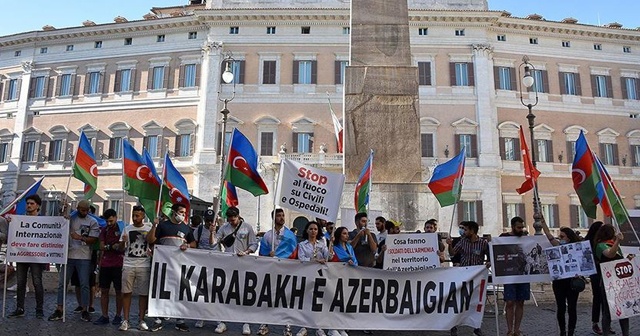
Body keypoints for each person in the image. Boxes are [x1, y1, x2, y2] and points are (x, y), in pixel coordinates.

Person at [147, 203, 196, 332]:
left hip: (179, 266)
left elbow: (193, 243)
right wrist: (154, 225)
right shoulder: (163, 225)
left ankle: (179, 320)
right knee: (160, 290)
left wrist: (188, 246)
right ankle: (158, 318)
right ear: (174, 212)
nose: (183, 215)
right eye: (181, 212)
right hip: (162, 265)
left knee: (179, 291)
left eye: (184, 213)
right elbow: (151, 240)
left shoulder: (186, 228)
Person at [49, 200, 100, 322]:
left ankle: (85, 310)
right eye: (82, 210)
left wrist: (80, 238)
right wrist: (64, 209)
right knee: (62, 284)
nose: (85, 212)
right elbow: (61, 222)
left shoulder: (92, 221)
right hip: (68, 256)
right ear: (77, 208)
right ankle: (59, 309)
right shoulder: (71, 218)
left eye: (86, 210)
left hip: (84, 256)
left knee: (84, 284)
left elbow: (93, 239)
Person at [215, 206, 258, 335]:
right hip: (227, 263)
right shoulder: (224, 227)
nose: (232, 222)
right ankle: (223, 321)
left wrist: (246, 252)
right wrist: (212, 232)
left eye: (234, 220)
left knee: (244, 293)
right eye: (230, 220)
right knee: (225, 292)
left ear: (238, 216)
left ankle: (246, 322)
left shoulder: (247, 227)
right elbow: (214, 242)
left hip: (244, 263)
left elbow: (254, 244)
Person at [257, 208, 298, 335]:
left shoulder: (290, 235)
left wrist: (280, 255)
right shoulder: (268, 235)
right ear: (273, 218)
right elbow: (262, 253)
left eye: (283, 215)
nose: (281, 218)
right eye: (279, 216)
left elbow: (294, 252)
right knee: (268, 297)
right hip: (271, 270)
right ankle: (264, 324)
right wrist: (269, 255)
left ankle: (287, 326)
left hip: (286, 270)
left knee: (286, 298)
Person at [446, 221, 488, 336]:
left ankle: (476, 327)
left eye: (466, 229)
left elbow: (489, 257)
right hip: (463, 276)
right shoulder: (462, 242)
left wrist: (488, 264)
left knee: (476, 302)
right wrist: (449, 245)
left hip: (477, 277)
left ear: (472, 231)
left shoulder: (483, 243)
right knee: (460, 300)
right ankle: (454, 325)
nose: (464, 232)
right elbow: (453, 254)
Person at [7, 194, 46, 319]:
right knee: (21, 282)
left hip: (36, 256)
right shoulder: (20, 220)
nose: (29, 205)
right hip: (22, 254)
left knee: (37, 282)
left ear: (38, 206)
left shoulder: (43, 221)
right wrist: (11, 224)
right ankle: (20, 308)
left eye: (32, 203)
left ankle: (39, 309)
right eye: (28, 203)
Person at [119, 205, 152, 331]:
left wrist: (154, 226)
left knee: (143, 294)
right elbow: (120, 249)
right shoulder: (127, 229)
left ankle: (141, 319)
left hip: (144, 264)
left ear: (143, 216)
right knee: (126, 292)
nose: (135, 218)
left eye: (137, 215)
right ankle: (126, 320)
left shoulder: (148, 228)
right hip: (128, 264)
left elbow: (153, 242)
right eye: (133, 215)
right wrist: (123, 241)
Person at [296, 221, 329, 336]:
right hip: (306, 274)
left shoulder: (322, 244)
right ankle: (303, 326)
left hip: (319, 275)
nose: (313, 231)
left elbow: (328, 256)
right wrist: (313, 261)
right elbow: (301, 258)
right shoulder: (302, 245)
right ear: (307, 230)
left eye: (315, 229)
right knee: (305, 300)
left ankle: (318, 327)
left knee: (318, 300)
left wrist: (331, 247)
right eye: (311, 229)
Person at [595, 224, 629, 336]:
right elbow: (610, 254)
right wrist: (617, 241)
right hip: (607, 282)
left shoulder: (614, 245)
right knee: (608, 311)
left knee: (623, 310)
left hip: (619, 281)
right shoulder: (600, 246)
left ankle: (626, 333)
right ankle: (606, 332)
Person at [499, 216, 530, 336]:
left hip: (522, 274)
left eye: (522, 227)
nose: (521, 229)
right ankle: (509, 329)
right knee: (510, 302)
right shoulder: (504, 237)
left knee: (520, 302)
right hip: (509, 274)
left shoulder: (525, 238)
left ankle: (517, 329)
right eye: (518, 227)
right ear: (512, 227)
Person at [93, 209, 124, 326]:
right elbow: (101, 246)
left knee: (119, 291)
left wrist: (114, 246)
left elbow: (121, 247)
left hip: (119, 264)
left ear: (115, 217)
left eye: (111, 221)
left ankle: (118, 315)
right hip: (106, 264)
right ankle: (105, 315)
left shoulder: (121, 229)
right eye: (107, 221)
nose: (109, 223)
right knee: (104, 291)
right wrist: (111, 246)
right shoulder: (104, 230)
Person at [551, 227, 580, 336]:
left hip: (572, 281)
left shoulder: (577, 248)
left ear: (569, 237)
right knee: (561, 307)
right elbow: (549, 237)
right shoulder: (558, 246)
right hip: (559, 282)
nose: (560, 238)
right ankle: (563, 331)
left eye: (562, 236)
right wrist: (543, 222)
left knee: (572, 308)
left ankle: (571, 332)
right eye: (559, 236)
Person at [328, 227, 356, 336]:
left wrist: (353, 264)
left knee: (344, 302)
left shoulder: (349, 247)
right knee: (335, 301)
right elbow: (333, 260)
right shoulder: (334, 248)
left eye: (347, 233)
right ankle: (332, 327)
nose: (347, 235)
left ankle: (341, 326)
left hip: (348, 277)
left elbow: (355, 260)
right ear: (340, 235)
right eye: (344, 233)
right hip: (337, 276)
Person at [584, 221, 605, 335]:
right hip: (595, 272)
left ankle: (606, 323)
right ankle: (595, 322)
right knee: (598, 297)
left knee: (606, 298)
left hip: (605, 271)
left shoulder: (603, 242)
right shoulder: (589, 242)